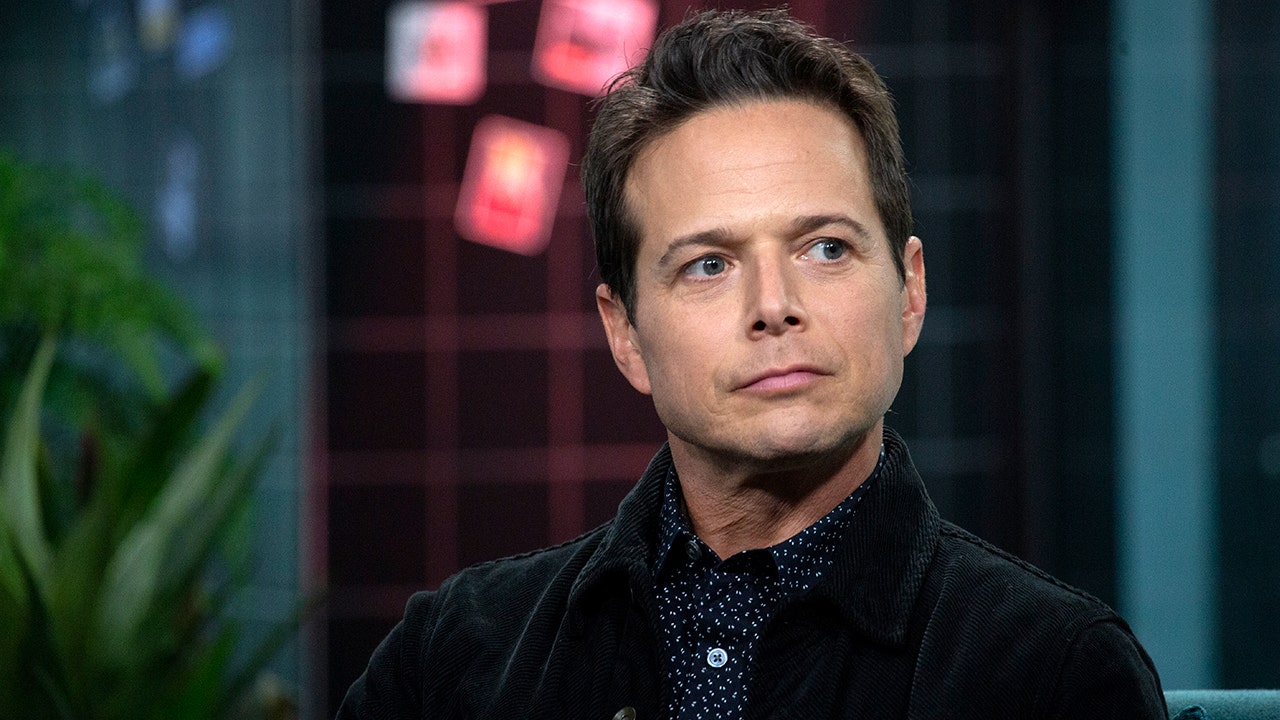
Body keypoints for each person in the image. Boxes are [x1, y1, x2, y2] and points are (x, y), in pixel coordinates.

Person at [337, 8, 1166, 719]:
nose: (774, 304)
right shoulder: (453, 659)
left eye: (826, 248)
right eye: (709, 265)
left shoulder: (1053, 673)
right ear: (625, 334)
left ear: (910, 291)